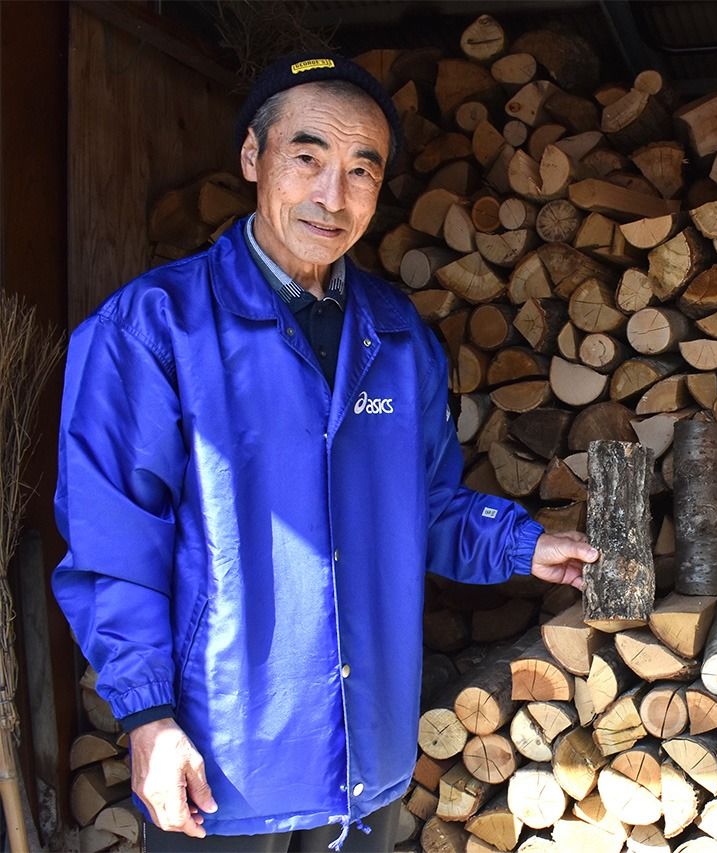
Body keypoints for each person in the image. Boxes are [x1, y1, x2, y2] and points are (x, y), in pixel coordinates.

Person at [52, 52, 598, 851]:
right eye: (306, 159)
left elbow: (425, 505)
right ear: (253, 156)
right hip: (225, 762)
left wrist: (525, 545)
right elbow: (114, 540)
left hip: (366, 760)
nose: (332, 196)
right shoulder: (155, 327)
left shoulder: (398, 335)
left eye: (360, 171)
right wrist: (148, 715)